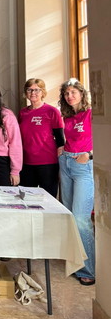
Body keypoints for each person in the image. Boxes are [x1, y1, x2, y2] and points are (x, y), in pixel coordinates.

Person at [58, 78, 95, 286]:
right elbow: (71, 139)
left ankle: (88, 269)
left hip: (83, 166)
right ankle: (74, 262)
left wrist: (90, 154)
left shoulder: (91, 113)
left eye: (73, 92)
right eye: (66, 93)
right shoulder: (68, 116)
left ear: (81, 93)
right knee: (70, 216)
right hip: (66, 163)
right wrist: (63, 148)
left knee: (81, 218)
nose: (69, 96)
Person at [18, 78, 64, 198]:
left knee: (48, 200)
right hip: (26, 163)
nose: (33, 93)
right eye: (29, 90)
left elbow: (60, 141)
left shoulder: (52, 111)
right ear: (26, 92)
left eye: (36, 90)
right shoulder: (22, 113)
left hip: (48, 164)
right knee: (26, 199)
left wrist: (62, 166)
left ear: (42, 92)